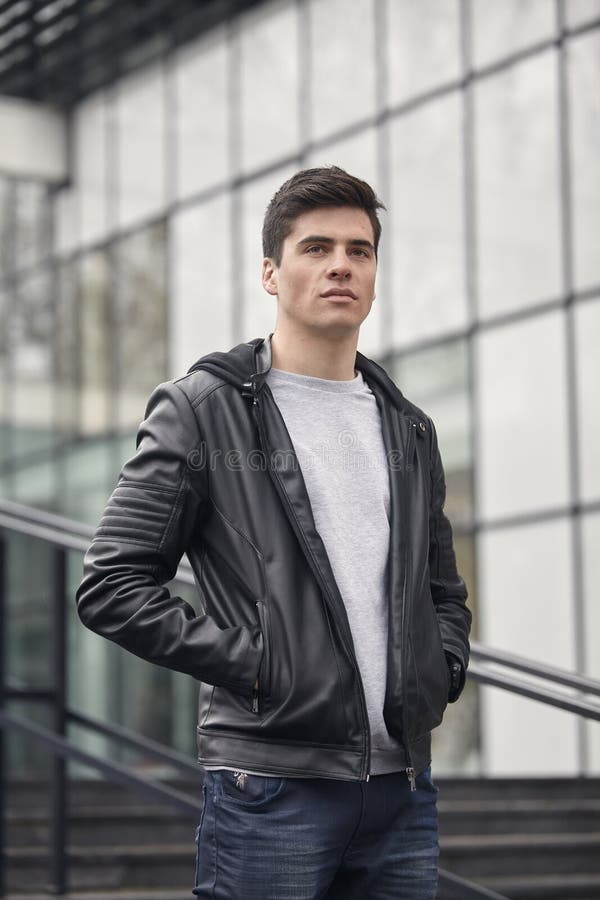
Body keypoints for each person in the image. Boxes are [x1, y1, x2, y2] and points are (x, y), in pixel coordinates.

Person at [76, 166, 471, 899]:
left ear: (376, 273)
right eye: (315, 247)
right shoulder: (204, 410)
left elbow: (442, 589)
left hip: (402, 791)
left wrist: (440, 669)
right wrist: (260, 665)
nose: (340, 266)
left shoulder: (409, 427)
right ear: (271, 271)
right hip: (272, 789)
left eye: (359, 250)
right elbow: (112, 587)